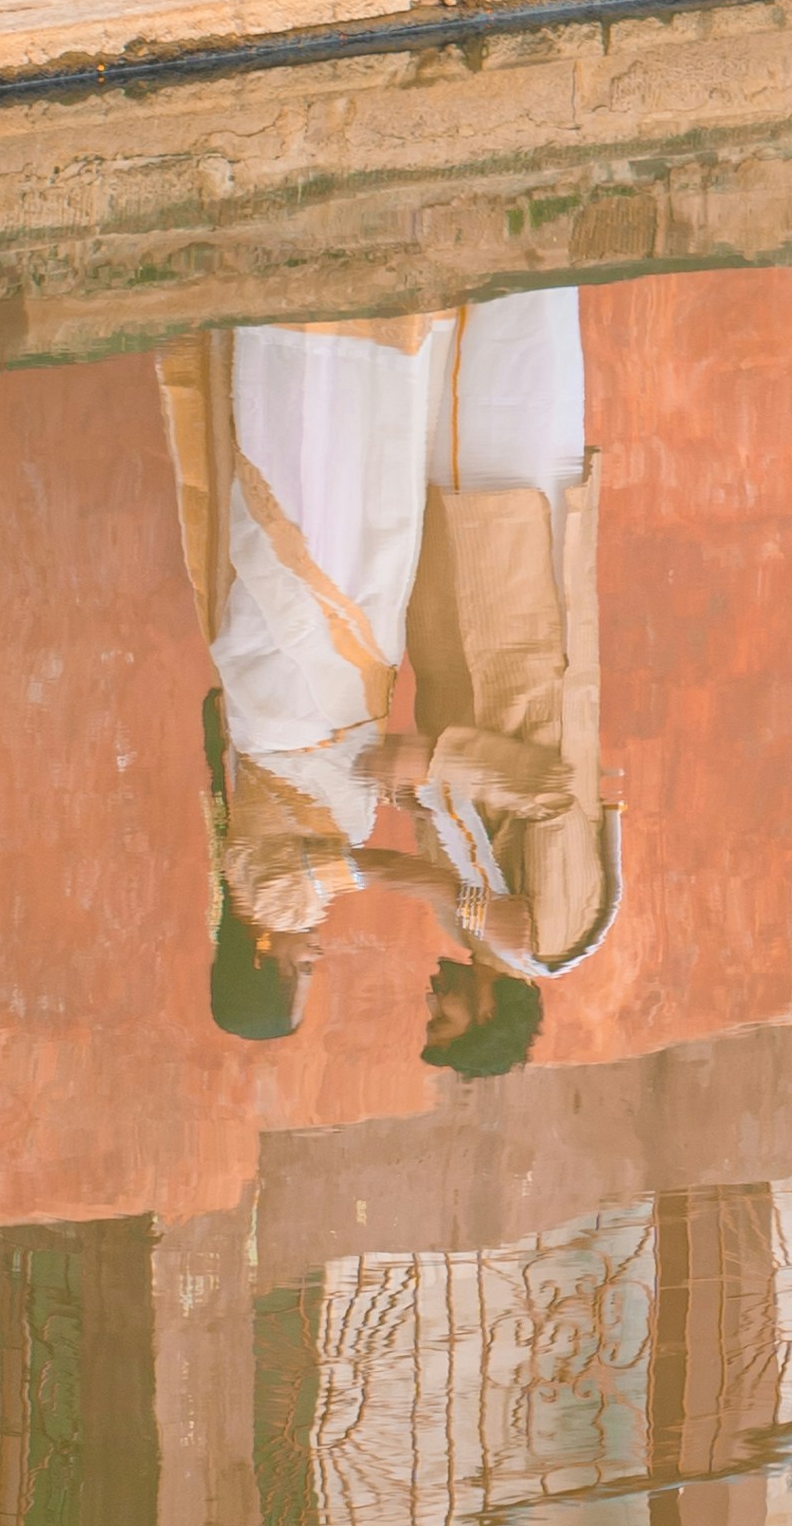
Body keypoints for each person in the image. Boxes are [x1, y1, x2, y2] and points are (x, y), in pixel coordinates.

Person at [157, 295, 622, 1069]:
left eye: (432, 1021)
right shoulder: (559, 934)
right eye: (441, 1020)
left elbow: (459, 801)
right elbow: (554, 788)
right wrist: (422, 777)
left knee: (406, 424)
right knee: (514, 372)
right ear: (485, 1016)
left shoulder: (470, 928)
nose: (430, 1003)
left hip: (457, 619)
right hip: (523, 629)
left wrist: (415, 785)